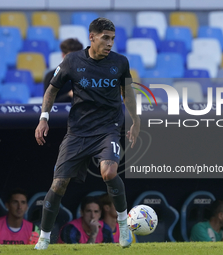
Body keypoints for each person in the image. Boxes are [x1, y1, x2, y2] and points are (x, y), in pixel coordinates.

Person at [34, 17, 140, 250]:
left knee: (109, 171)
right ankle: (44, 237)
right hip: (78, 132)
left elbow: (128, 92)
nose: (110, 43)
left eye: (112, 39)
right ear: (92, 37)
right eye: (105, 38)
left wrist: (135, 120)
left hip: (108, 129)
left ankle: (123, 226)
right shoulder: (72, 61)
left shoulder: (120, 62)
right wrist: (44, 118)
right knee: (58, 184)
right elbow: (52, 89)